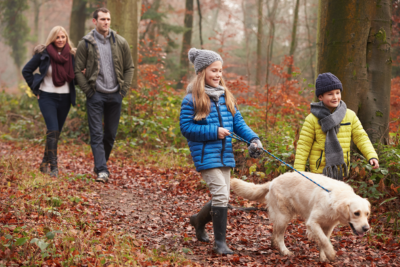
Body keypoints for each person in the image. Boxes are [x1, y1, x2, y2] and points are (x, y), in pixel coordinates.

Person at [180, 48, 263, 255]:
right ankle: (220, 244)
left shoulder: (226, 97)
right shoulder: (191, 99)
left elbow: (239, 124)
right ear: (201, 72)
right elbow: (187, 129)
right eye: (213, 70)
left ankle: (197, 221)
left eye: (220, 70)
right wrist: (214, 131)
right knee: (219, 194)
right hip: (205, 155)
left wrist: (253, 139)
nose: (218, 75)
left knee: (223, 198)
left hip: (224, 155)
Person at [74, 7, 134, 183]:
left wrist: (123, 90)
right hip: (96, 95)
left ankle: (101, 164)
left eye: (108, 19)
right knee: (96, 134)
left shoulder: (120, 42)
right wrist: (88, 91)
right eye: (102, 19)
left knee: (110, 134)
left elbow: (129, 67)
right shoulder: (85, 43)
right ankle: (102, 170)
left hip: (116, 94)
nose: (106, 22)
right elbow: (77, 70)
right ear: (95, 21)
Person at [294, 72, 379, 180]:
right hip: (319, 172)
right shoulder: (312, 119)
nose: (335, 97)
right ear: (320, 96)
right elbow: (303, 146)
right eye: (330, 94)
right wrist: (298, 173)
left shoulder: (350, 115)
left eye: (337, 93)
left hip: (340, 170)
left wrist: (371, 155)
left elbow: (361, 137)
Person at [22, 26, 77, 178]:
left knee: (56, 133)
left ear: (66, 38)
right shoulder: (44, 54)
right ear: (52, 39)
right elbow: (26, 71)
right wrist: (35, 89)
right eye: (57, 37)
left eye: (63, 37)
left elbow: (74, 78)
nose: (60, 40)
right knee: (52, 130)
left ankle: (44, 163)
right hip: (47, 97)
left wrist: (82, 73)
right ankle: (54, 167)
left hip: (65, 98)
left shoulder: (72, 55)